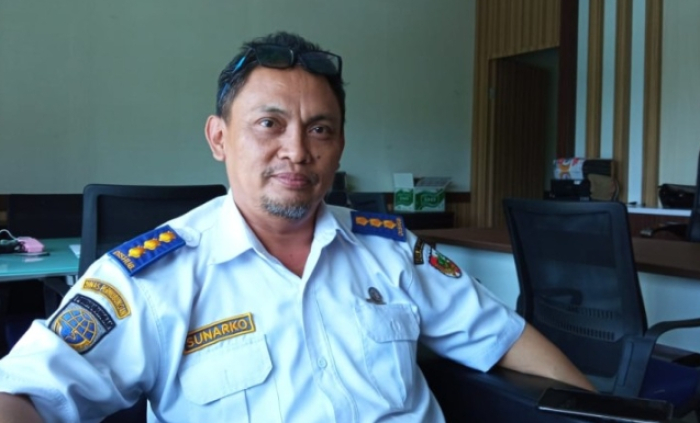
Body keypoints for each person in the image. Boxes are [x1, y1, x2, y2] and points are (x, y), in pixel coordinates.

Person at [0, 31, 593, 423]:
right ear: (218, 138)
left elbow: (506, 338)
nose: (297, 150)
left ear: (339, 146)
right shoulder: (150, 278)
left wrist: (602, 413)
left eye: (320, 129)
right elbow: (26, 393)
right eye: (270, 124)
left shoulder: (391, 250)